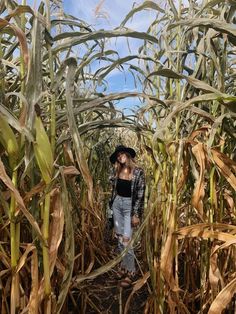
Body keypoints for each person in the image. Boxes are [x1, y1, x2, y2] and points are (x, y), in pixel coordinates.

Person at [109, 145, 146, 287]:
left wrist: (136, 214)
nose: (119, 156)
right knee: (119, 238)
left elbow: (141, 194)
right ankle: (123, 267)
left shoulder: (138, 172)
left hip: (129, 206)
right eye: (117, 155)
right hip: (117, 204)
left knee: (126, 240)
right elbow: (113, 191)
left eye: (121, 153)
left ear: (128, 154)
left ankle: (131, 271)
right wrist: (111, 209)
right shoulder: (117, 170)